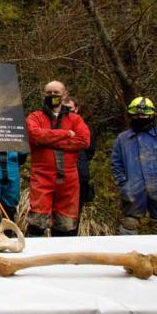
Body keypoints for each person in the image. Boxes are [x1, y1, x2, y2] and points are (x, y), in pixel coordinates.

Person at [26, 81, 90, 237]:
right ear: (43, 95)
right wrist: (66, 134)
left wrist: (47, 141)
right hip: (42, 176)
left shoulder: (75, 119)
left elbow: (83, 141)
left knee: (65, 225)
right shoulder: (35, 117)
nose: (52, 96)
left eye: (56, 92)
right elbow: (34, 135)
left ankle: (62, 259)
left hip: (69, 179)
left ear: (65, 95)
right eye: (49, 93)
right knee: (37, 223)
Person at [110, 97, 157, 235]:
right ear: (130, 115)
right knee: (129, 224)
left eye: (143, 114)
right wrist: (124, 183)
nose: (139, 117)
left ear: (152, 115)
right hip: (133, 189)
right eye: (136, 115)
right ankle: (128, 255)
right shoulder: (123, 139)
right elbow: (116, 164)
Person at [63, 96, 96, 235]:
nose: (67, 111)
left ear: (76, 109)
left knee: (75, 214)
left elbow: (90, 151)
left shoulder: (84, 128)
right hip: (59, 177)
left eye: (69, 108)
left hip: (80, 177)